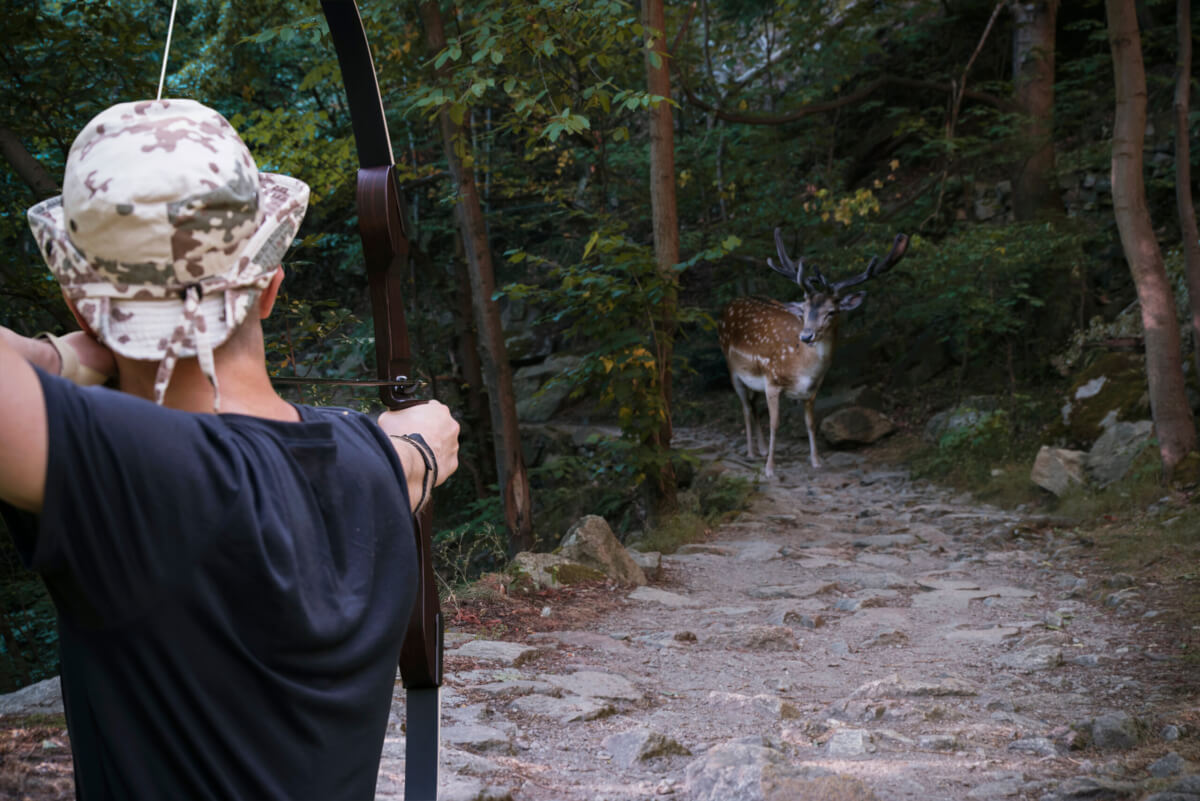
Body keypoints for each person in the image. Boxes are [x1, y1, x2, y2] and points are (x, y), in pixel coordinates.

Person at [0, 98, 459, 800]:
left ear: (81, 304)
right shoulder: (371, 463)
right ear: (270, 287)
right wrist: (421, 445)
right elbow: (422, 440)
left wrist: (57, 356)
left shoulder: (147, 479)